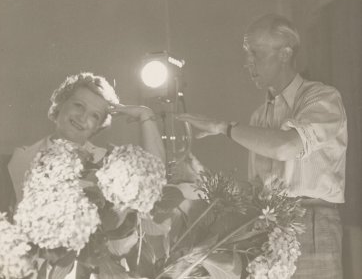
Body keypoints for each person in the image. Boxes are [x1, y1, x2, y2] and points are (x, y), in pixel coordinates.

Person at [177, 14, 347, 278]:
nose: (248, 63)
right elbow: (256, 191)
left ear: (285, 53)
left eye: (255, 53)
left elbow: (287, 146)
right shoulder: (259, 116)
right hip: (268, 227)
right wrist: (200, 181)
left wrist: (224, 128)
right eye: (246, 54)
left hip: (313, 223)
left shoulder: (322, 98)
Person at [8, 72, 166, 205]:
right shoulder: (20, 158)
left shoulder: (107, 162)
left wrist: (146, 115)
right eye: (78, 105)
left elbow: (154, 184)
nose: (82, 117)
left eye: (94, 115)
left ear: (98, 127)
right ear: (60, 104)